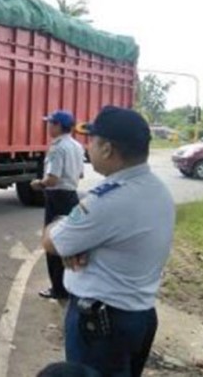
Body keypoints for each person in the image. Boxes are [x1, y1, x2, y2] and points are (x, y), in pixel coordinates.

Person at [41, 106, 175, 377]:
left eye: (92, 141)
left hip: (102, 325)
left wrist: (60, 228)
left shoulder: (108, 200)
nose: (87, 147)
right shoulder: (157, 190)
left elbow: (52, 243)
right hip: (140, 315)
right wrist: (79, 243)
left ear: (107, 149)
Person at [31, 109, 86, 300]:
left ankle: (58, 289)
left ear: (57, 126)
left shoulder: (57, 148)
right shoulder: (77, 147)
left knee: (53, 242)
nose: (47, 126)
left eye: (50, 123)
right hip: (71, 196)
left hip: (57, 198)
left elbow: (52, 179)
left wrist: (38, 183)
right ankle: (71, 285)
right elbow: (80, 174)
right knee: (70, 242)